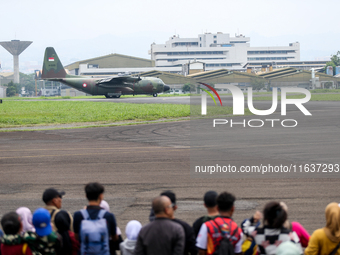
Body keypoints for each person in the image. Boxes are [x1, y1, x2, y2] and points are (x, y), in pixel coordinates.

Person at [73, 182, 117, 255]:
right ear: (101, 196)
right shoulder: (108, 216)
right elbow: (114, 238)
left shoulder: (78, 215)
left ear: (86, 196)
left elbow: (77, 237)